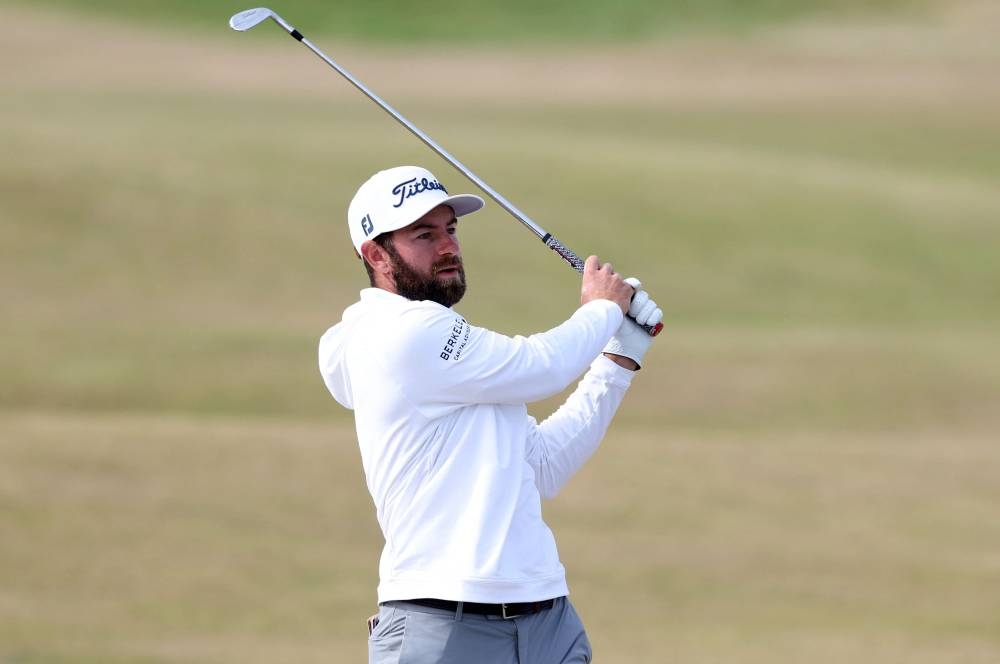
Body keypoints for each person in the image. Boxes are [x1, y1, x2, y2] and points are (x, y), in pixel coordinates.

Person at [318, 165, 663, 663]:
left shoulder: (455, 356)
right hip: (441, 625)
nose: (447, 246)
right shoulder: (397, 334)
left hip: (547, 617)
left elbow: (543, 466)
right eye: (424, 234)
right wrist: (602, 308)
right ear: (375, 254)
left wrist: (618, 360)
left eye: (450, 230)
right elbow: (540, 366)